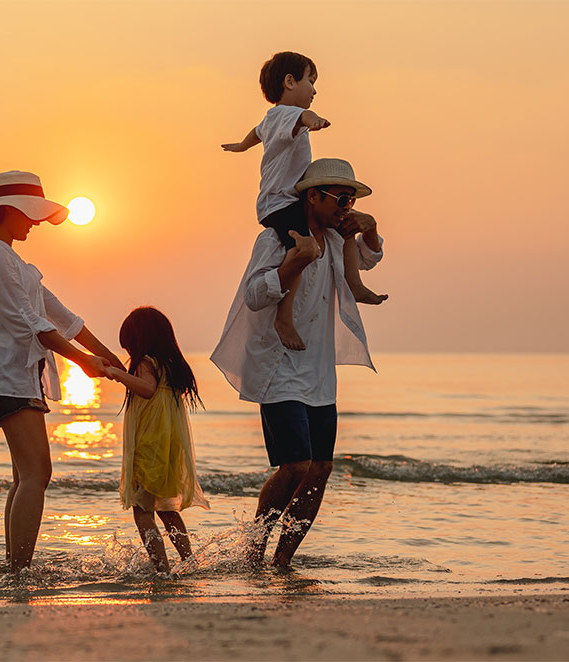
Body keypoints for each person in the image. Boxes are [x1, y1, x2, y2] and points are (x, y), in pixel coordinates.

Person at [210, 158, 384, 568]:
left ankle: (282, 561)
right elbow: (255, 295)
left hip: (320, 373)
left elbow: (369, 258)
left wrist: (371, 226)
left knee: (320, 467)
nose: (346, 206)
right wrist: (294, 261)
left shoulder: (337, 240)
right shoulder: (277, 239)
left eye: (351, 199)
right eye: (341, 198)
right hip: (278, 368)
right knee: (295, 465)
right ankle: (254, 551)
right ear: (313, 196)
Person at [0, 170, 123, 572]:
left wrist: (112, 358)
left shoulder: (12, 259)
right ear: (9, 210)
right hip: (5, 377)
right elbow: (28, 321)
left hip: (20, 376)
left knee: (25, 477)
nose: (35, 222)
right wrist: (83, 362)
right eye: (30, 213)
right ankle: (19, 571)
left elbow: (62, 316)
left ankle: (14, 568)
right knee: (37, 473)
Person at [221, 51, 386, 352]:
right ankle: (284, 317)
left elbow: (254, 134)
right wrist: (316, 120)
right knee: (302, 250)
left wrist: (240, 146)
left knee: (346, 230)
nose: (314, 89)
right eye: (310, 80)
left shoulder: (271, 122)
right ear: (289, 81)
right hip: (280, 203)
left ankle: (356, 285)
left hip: (285, 201)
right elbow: (303, 117)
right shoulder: (285, 115)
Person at [105, 307, 209, 572]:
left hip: (149, 446)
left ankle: (160, 567)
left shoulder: (146, 363)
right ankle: (189, 562)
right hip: (169, 447)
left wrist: (117, 375)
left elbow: (148, 390)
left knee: (142, 509)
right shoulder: (172, 366)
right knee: (166, 510)